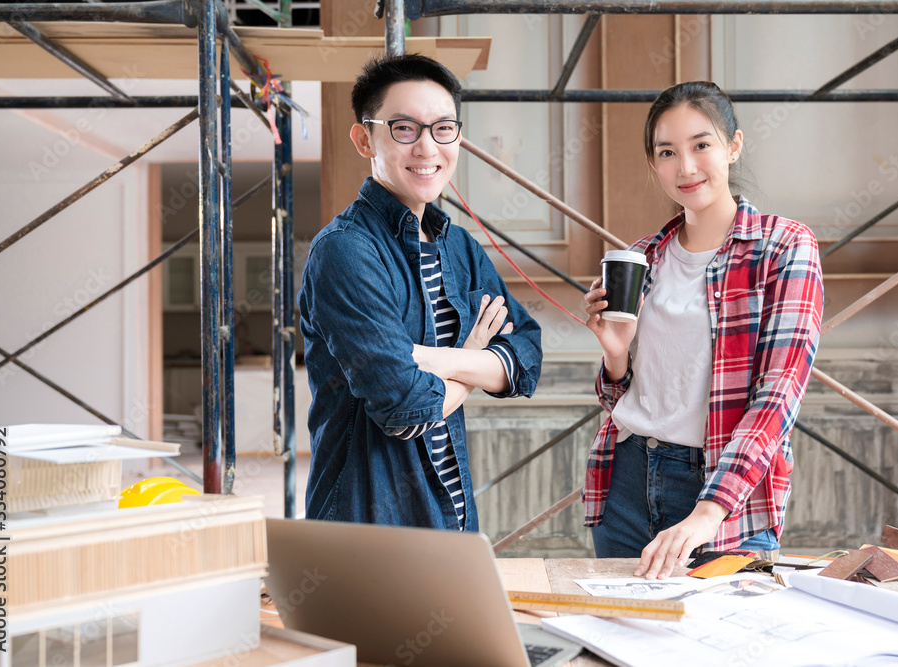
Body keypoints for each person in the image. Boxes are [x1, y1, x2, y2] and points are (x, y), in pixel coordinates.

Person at [581, 81, 823, 578]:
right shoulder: (642, 257)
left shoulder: (784, 247)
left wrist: (707, 513)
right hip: (625, 481)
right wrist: (615, 355)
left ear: (733, 146)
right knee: (628, 643)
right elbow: (619, 398)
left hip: (725, 499)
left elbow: (778, 396)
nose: (686, 167)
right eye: (667, 152)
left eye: (701, 145)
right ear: (654, 164)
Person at [298, 54, 542, 532]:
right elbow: (404, 411)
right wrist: (475, 362)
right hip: (369, 525)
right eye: (404, 128)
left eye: (443, 128)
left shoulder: (458, 246)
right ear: (364, 138)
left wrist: (434, 359)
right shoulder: (345, 252)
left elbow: (526, 359)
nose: (428, 147)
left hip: (452, 516)